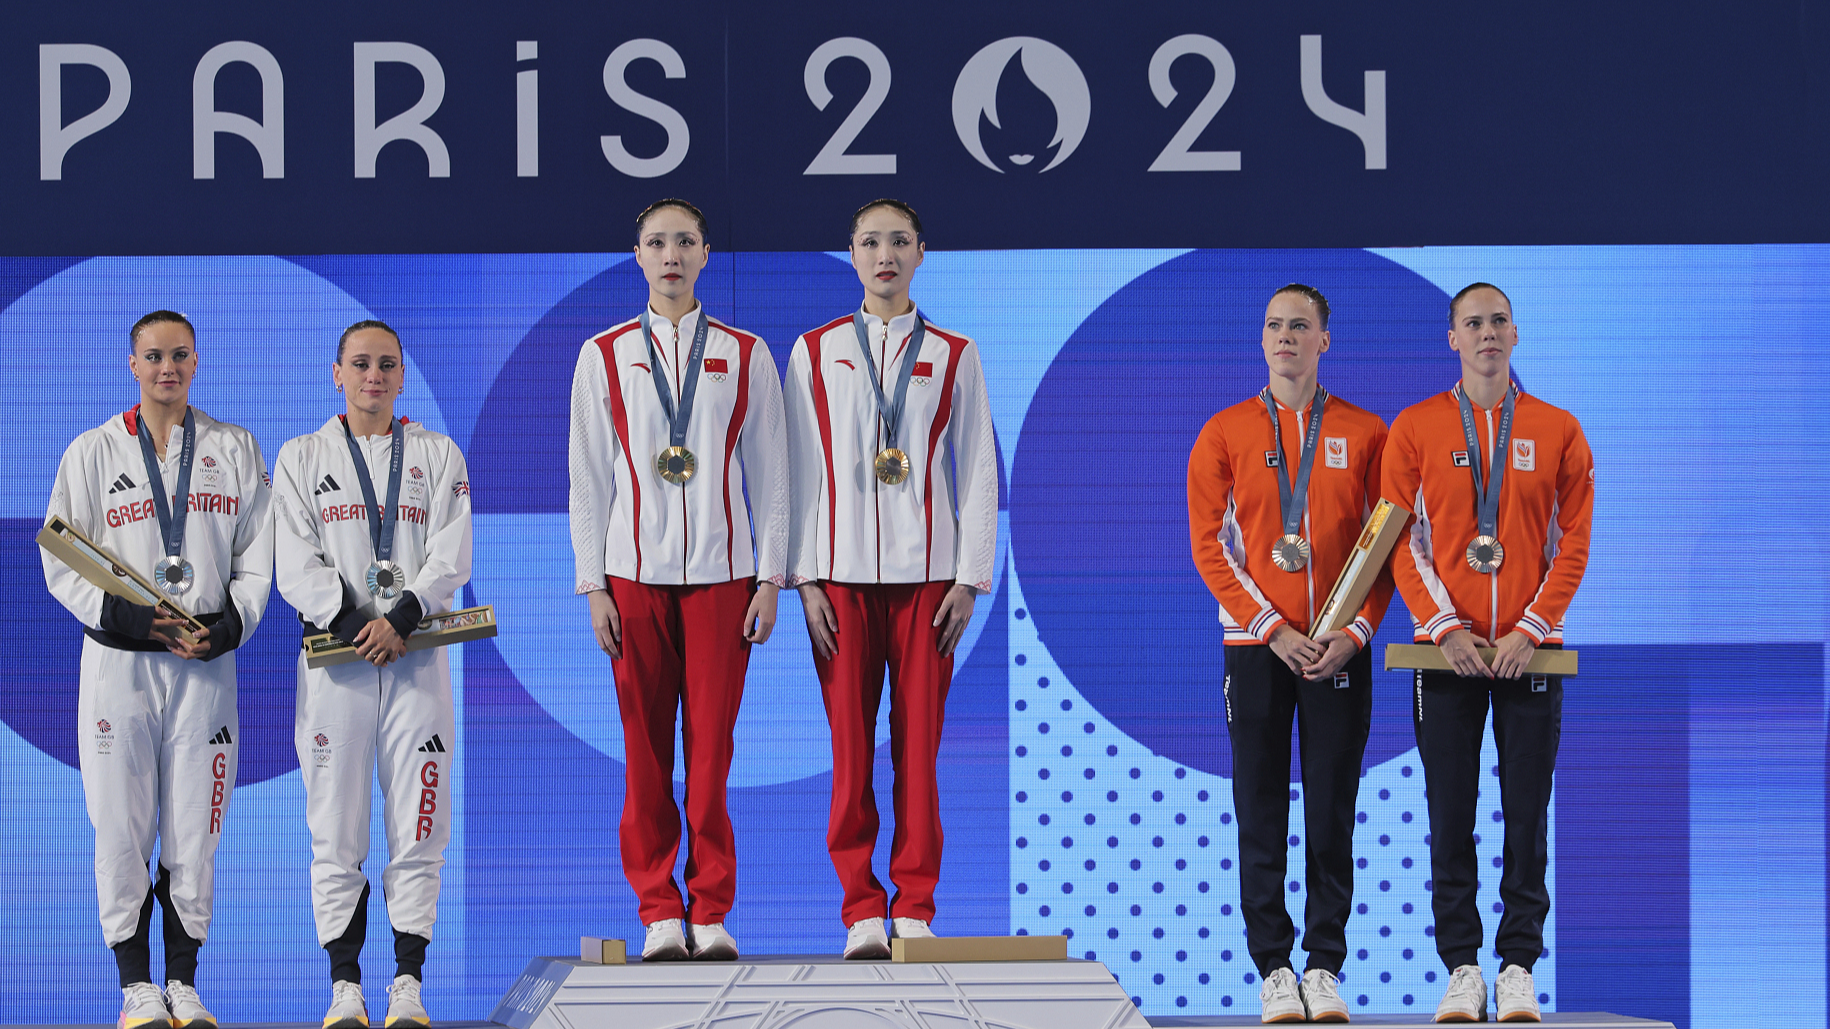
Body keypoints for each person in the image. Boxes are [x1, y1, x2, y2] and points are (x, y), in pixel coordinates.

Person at [568, 198, 789, 962]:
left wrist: (772, 577)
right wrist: (591, 583)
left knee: (712, 749)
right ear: (637, 255)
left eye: (684, 242)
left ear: (704, 254)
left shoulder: (745, 351)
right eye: (656, 242)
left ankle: (711, 908)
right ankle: (660, 906)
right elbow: (588, 477)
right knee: (645, 748)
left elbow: (773, 471)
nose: (670, 254)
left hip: (727, 577)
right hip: (632, 576)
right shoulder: (602, 353)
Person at [42, 310, 273, 1029]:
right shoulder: (91, 451)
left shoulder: (233, 447)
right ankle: (135, 986)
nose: (166, 367)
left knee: (196, 831)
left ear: (196, 361)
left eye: (179, 355)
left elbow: (257, 552)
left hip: (205, 668)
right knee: (119, 825)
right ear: (132, 364)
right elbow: (59, 552)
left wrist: (234, 622)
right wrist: (128, 617)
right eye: (153, 356)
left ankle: (184, 980)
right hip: (119, 668)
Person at [783, 198, 998, 959]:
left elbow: (977, 472)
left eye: (898, 241)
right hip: (839, 581)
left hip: (930, 583)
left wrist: (970, 579)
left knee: (919, 749)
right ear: (851, 254)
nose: (884, 255)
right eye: (870, 242)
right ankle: (859, 908)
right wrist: (803, 577)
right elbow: (795, 469)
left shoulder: (953, 351)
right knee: (850, 748)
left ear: (921, 252)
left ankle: (915, 903)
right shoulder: (813, 351)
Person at [1382, 283, 1593, 1023]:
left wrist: (1530, 627)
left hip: (1530, 655)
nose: (1487, 334)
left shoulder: (1559, 428)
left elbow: (1572, 544)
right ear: (1452, 339)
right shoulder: (1414, 429)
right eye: (1472, 323)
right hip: (1448, 655)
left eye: (1499, 320)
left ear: (1516, 333)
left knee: (1526, 812)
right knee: (1451, 811)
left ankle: (1518, 967)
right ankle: (1462, 967)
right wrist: (1444, 626)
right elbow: (1399, 544)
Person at [1186, 285, 1393, 1023]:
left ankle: (1324, 965)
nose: (1285, 337)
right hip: (1257, 646)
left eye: (1299, 326)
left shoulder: (1369, 432)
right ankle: (1273, 966)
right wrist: (1271, 625)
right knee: (1260, 803)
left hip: (1339, 649)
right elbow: (1210, 546)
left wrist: (1356, 633)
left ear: (1324, 342)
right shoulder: (1224, 431)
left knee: (1334, 806)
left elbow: (1386, 544)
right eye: (1273, 325)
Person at [272, 320, 473, 1028]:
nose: (374, 376)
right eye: (360, 364)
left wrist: (405, 617)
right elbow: (292, 559)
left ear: (401, 374)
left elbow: (452, 552)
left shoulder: (437, 454)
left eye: (387, 364)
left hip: (417, 661)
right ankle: (344, 986)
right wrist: (358, 622)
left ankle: (409, 982)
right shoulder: (301, 457)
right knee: (336, 829)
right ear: (337, 373)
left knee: (421, 822)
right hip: (338, 664)